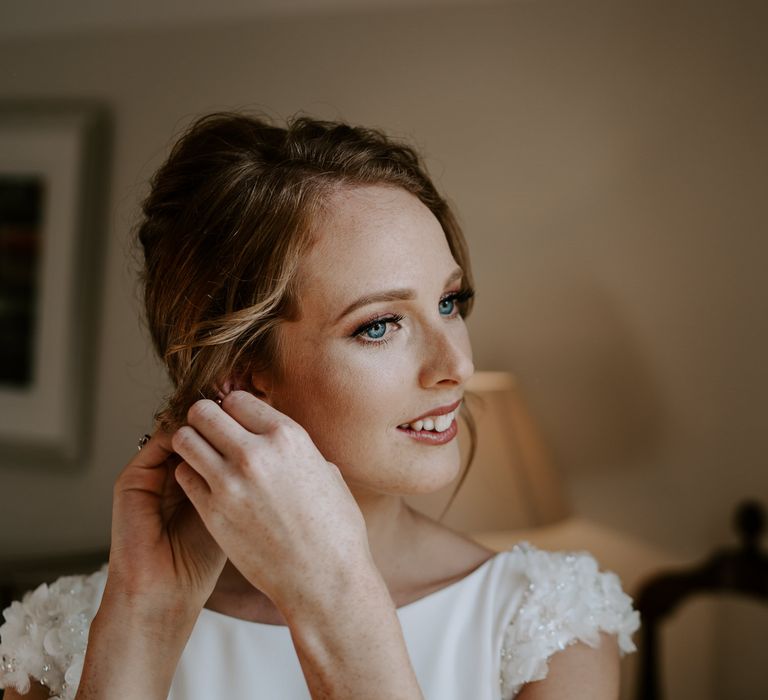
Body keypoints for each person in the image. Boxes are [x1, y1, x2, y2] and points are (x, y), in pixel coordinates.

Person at [0, 113, 639, 700]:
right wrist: (143, 618)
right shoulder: (62, 639)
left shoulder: (549, 625)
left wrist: (335, 601)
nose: (457, 367)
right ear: (244, 372)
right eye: (380, 324)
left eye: (449, 303)